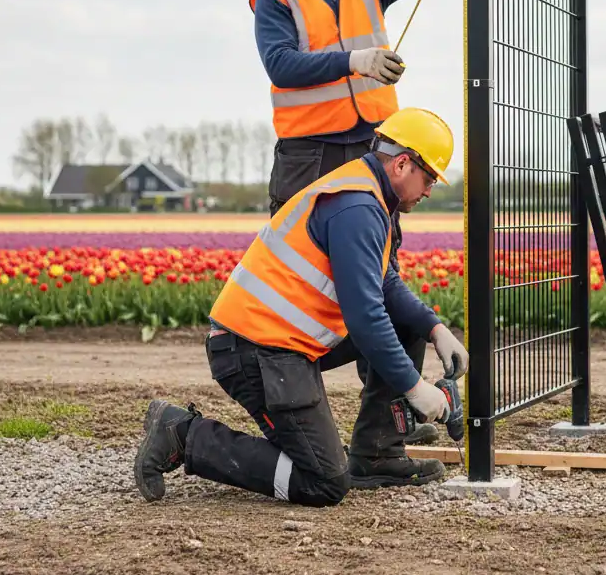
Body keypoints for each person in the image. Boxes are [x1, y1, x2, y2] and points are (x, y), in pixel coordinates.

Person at [133, 108, 470, 506]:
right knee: (324, 483)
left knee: (403, 323)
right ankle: (184, 435)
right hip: (255, 353)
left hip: (280, 342)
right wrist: (415, 390)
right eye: (428, 177)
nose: (430, 189)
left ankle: (378, 455)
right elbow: (365, 317)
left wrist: (433, 328)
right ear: (401, 164)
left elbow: (383, 282)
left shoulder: (366, 193)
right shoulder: (357, 208)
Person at [255, 0, 504, 217]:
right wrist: (357, 61)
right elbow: (281, 66)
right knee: (302, 252)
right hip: (309, 153)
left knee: (379, 249)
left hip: (372, 146)